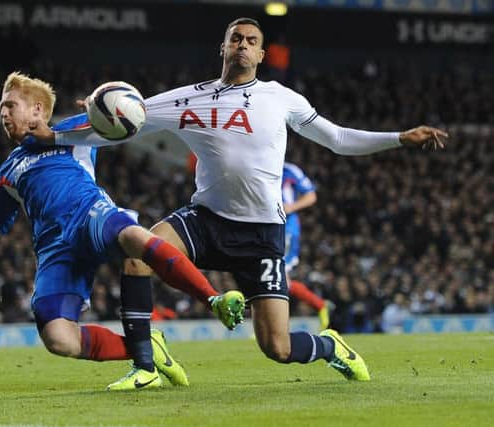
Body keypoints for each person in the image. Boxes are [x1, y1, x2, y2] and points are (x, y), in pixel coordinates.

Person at [27, 17, 447, 382]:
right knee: (140, 250)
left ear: (261, 54)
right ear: (223, 47)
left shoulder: (281, 98)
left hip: (262, 233)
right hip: (206, 219)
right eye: (235, 38)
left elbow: (336, 139)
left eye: (250, 41)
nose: (242, 45)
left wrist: (398, 138)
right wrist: (59, 136)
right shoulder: (186, 98)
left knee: (277, 347)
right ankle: (145, 364)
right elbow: (122, 126)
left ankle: (331, 347)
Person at [0, 71, 245, 391]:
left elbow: (127, 117)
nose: (4, 114)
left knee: (134, 237)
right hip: (54, 249)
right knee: (59, 339)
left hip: (89, 215)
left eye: (11, 105)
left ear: (38, 110)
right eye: (1, 108)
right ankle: (146, 346)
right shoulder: (9, 169)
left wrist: (99, 106)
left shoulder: (75, 131)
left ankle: (213, 299)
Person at [281, 162, 332, 330]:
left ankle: (275, 328)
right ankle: (320, 306)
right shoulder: (257, 166)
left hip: (286, 228)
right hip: (265, 228)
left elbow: (311, 195)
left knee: (276, 279)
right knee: (276, 280)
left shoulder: (289, 170)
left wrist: (291, 207)